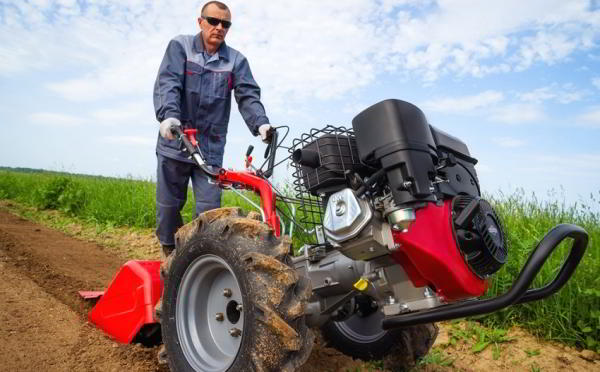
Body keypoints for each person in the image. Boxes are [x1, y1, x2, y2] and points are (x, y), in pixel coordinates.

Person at [153, 1, 272, 259]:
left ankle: (196, 259)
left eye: (225, 24)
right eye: (213, 21)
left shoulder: (236, 61)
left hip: (210, 150)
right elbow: (168, 83)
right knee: (169, 207)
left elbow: (248, 95)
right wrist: (169, 116)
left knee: (209, 211)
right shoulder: (180, 47)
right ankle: (170, 253)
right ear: (200, 22)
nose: (219, 28)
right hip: (176, 139)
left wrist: (260, 123)